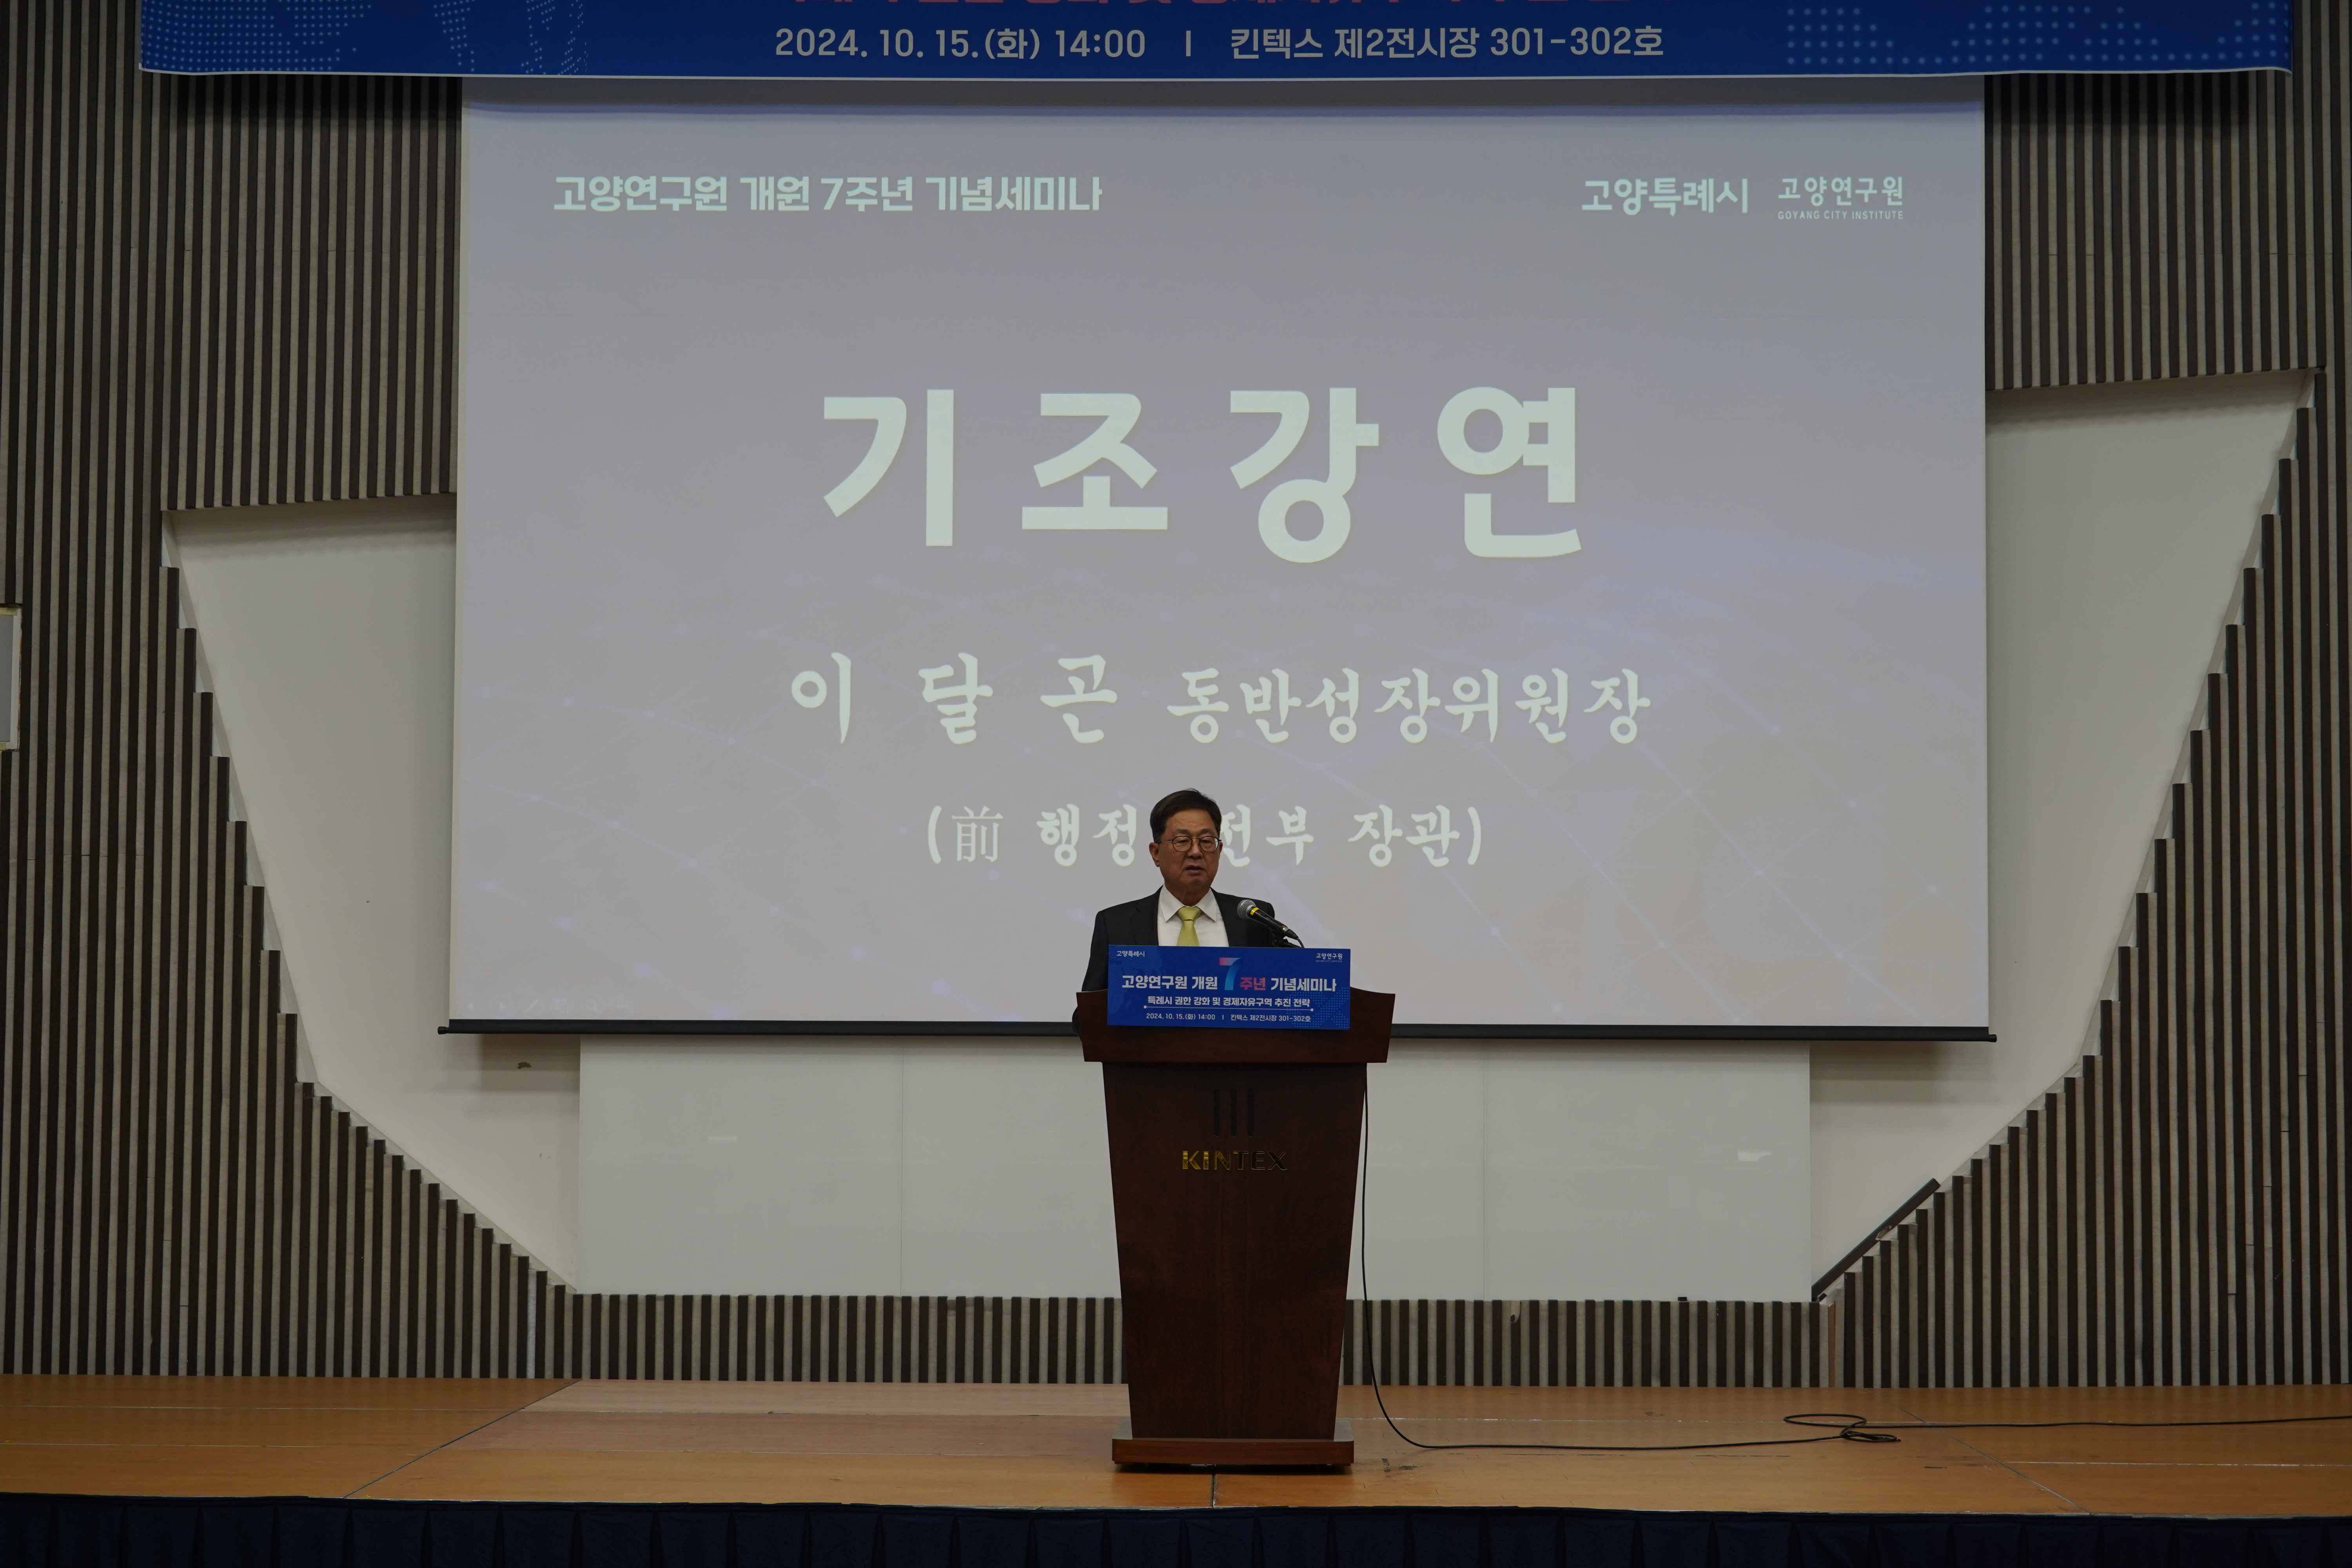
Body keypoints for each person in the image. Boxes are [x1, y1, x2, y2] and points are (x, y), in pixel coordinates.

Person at [1078, 788, 1285, 995]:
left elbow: (1276, 999)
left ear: (1219, 851)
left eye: (1206, 841)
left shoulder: (1255, 921)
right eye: (1182, 841)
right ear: (1156, 853)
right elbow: (1090, 1010)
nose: (1196, 852)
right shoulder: (1116, 925)